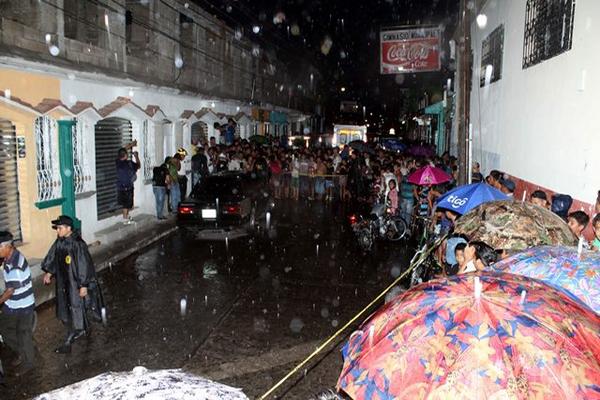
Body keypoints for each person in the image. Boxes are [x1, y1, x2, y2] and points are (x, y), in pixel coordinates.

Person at [42, 215, 103, 354]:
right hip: (63, 282)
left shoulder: (77, 244)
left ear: (68, 228)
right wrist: (49, 273)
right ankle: (80, 328)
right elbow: (53, 256)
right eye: (57, 228)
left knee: (75, 308)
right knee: (66, 307)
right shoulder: (60, 242)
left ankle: (70, 338)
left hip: (74, 283)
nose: (58, 231)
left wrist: (83, 285)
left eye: (60, 228)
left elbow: (83, 264)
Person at [0, 231, 35, 375]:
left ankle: (29, 363)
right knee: (5, 329)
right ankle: (22, 351)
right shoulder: (9, 257)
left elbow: (9, 292)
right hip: (13, 304)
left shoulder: (16, 265)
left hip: (24, 305)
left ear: (6, 247)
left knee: (23, 334)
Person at [115, 143, 140, 224]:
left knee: (125, 204)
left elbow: (121, 150)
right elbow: (138, 165)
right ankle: (125, 219)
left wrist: (130, 145)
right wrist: (136, 156)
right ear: (125, 155)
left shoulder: (117, 162)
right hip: (128, 187)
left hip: (120, 187)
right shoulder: (129, 163)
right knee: (127, 204)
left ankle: (126, 216)